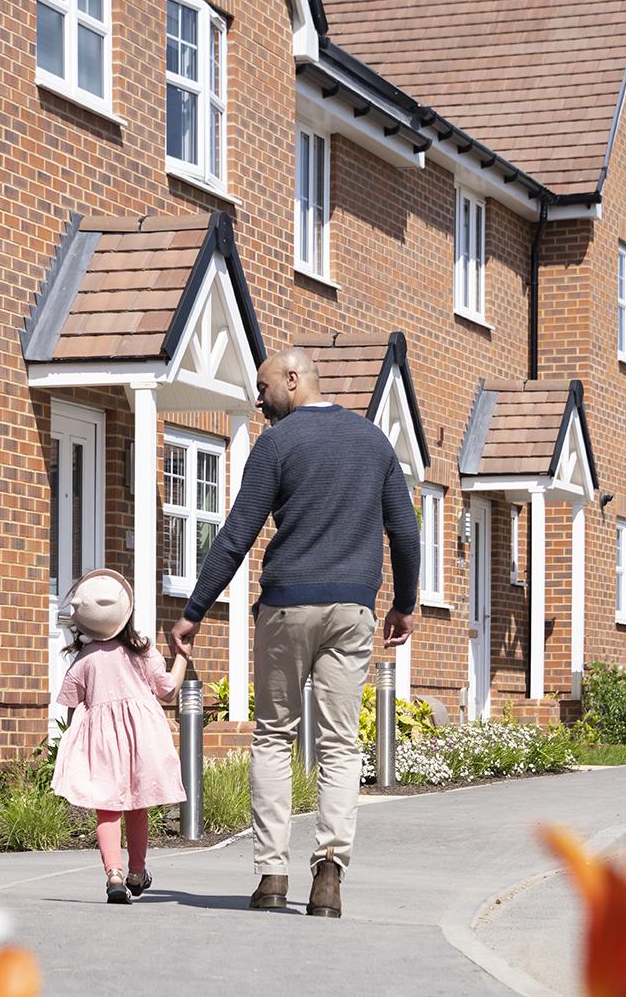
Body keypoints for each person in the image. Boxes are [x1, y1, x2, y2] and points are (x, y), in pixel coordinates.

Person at [168, 347, 419, 919]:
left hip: (285, 608)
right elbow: (404, 532)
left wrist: (194, 611)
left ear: (293, 377)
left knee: (275, 737)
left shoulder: (276, 445)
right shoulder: (373, 442)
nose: (259, 399)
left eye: (263, 387)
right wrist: (404, 604)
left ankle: (272, 876)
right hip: (352, 611)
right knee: (339, 744)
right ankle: (328, 876)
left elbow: (237, 534)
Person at [52, 568, 188, 905]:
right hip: (142, 739)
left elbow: (71, 709)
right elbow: (168, 690)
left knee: (107, 808)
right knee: (137, 805)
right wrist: (182, 657)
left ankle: (113, 873)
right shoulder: (142, 650)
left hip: (102, 742)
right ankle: (137, 871)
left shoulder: (82, 661)